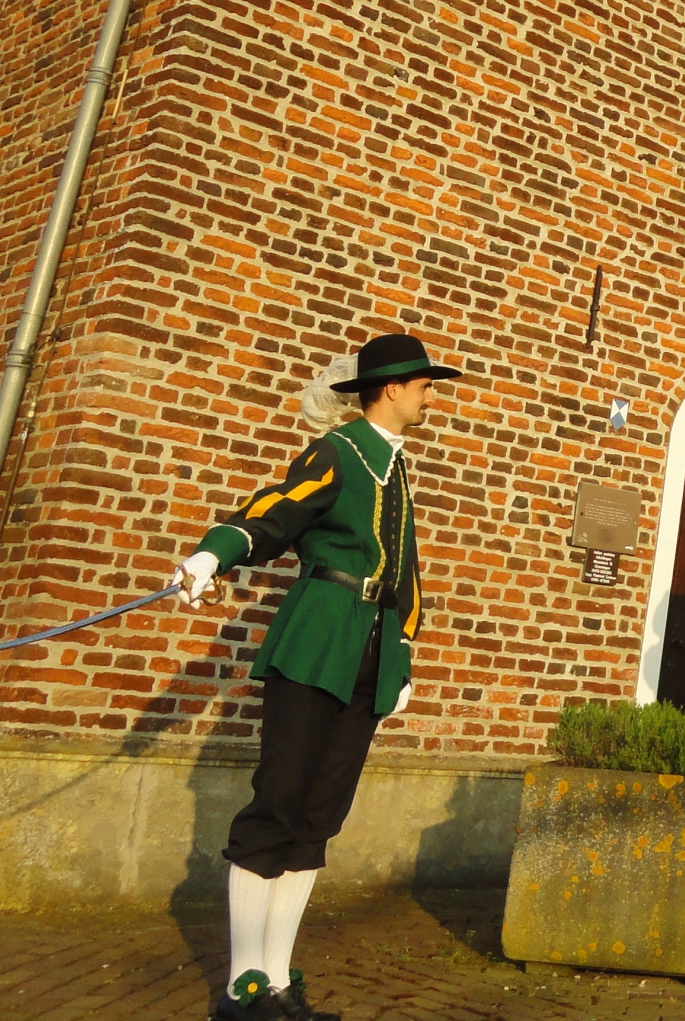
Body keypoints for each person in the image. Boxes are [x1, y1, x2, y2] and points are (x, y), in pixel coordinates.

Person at [175, 332, 455, 1021]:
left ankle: (277, 982)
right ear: (390, 388)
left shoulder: (396, 466)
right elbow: (274, 510)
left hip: (371, 653)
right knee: (277, 806)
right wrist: (213, 556)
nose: (430, 394)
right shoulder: (340, 451)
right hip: (316, 644)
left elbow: (406, 572)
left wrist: (403, 659)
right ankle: (243, 988)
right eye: (423, 383)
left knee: (317, 820)